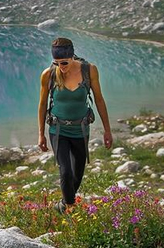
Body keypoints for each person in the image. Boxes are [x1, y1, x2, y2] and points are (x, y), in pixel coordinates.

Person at [37, 37, 113, 212]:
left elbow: (100, 100)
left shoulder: (89, 71)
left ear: (72, 57)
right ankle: (70, 211)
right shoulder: (48, 75)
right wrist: (41, 133)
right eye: (56, 63)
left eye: (64, 62)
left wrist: (107, 131)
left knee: (77, 175)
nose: (60, 67)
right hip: (58, 129)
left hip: (80, 130)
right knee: (65, 172)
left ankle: (63, 205)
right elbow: (42, 105)